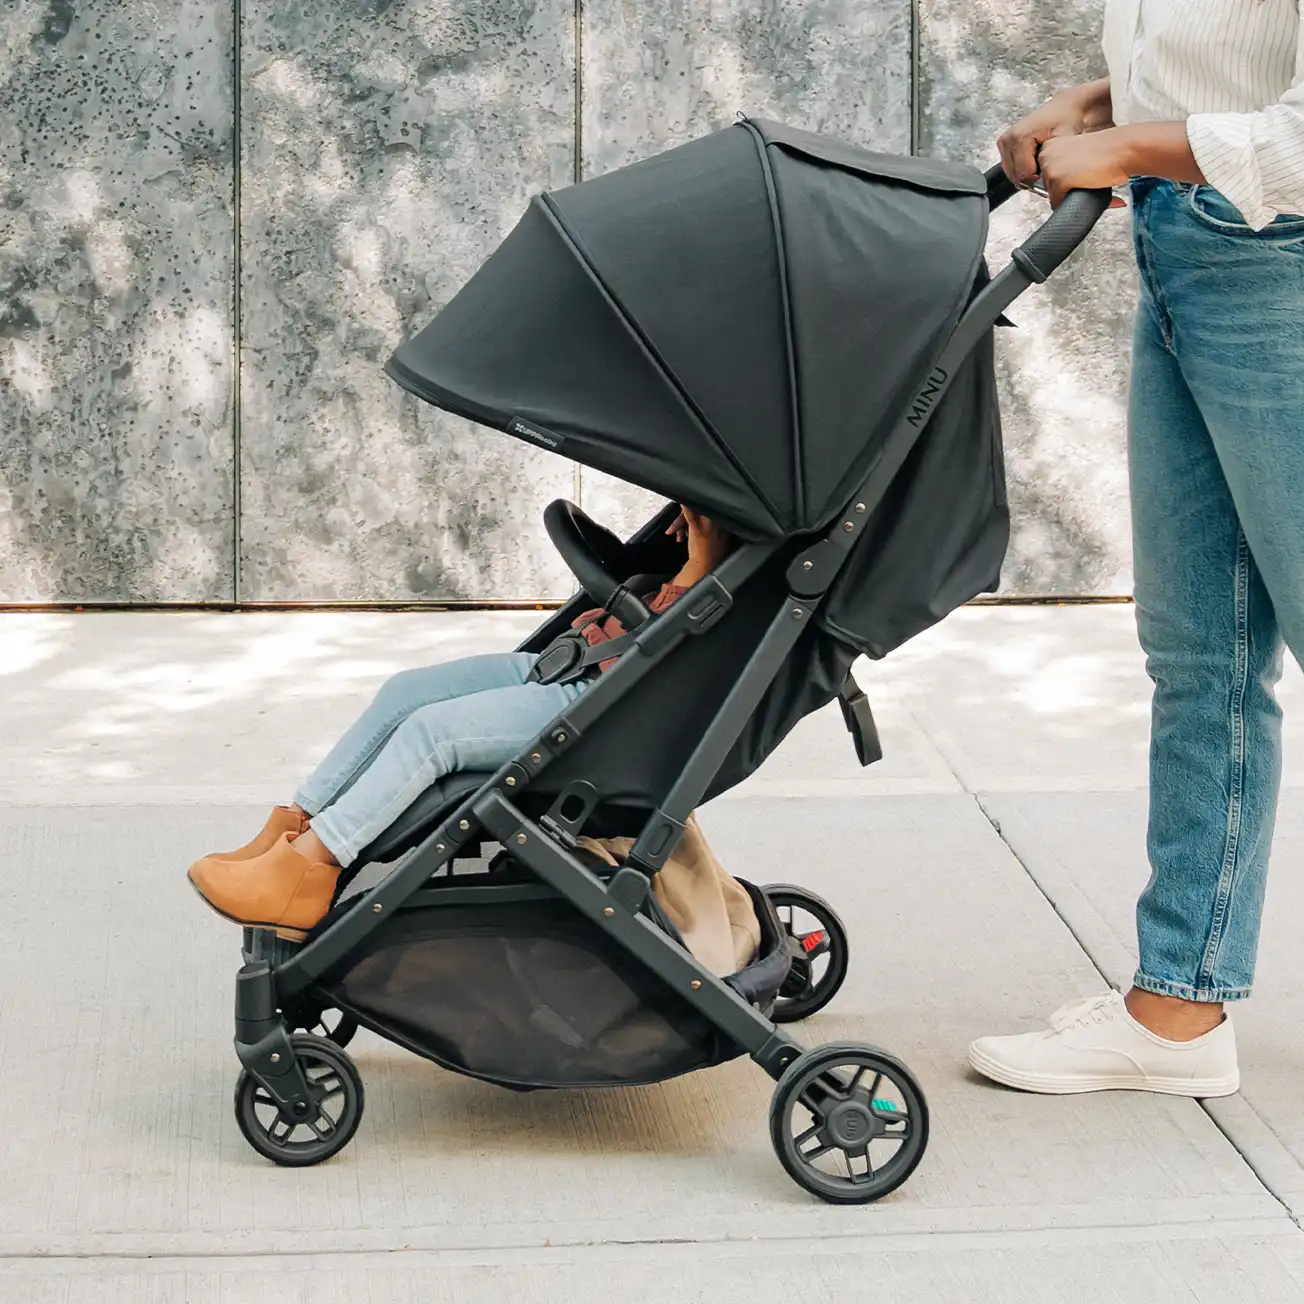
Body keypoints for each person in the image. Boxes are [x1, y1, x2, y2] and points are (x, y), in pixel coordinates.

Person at [968, 0, 1304, 1098]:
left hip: (1280, 270)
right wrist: (1097, 102)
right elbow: (1232, 58)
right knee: (1199, 652)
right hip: (1184, 251)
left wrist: (1120, 146)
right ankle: (1175, 1008)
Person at [188, 507, 733, 940]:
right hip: (572, 661)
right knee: (406, 692)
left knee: (433, 734)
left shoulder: (722, 577)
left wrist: (700, 562)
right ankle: (294, 827)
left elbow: (679, 658)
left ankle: (309, 868)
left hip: (604, 709)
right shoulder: (702, 543)